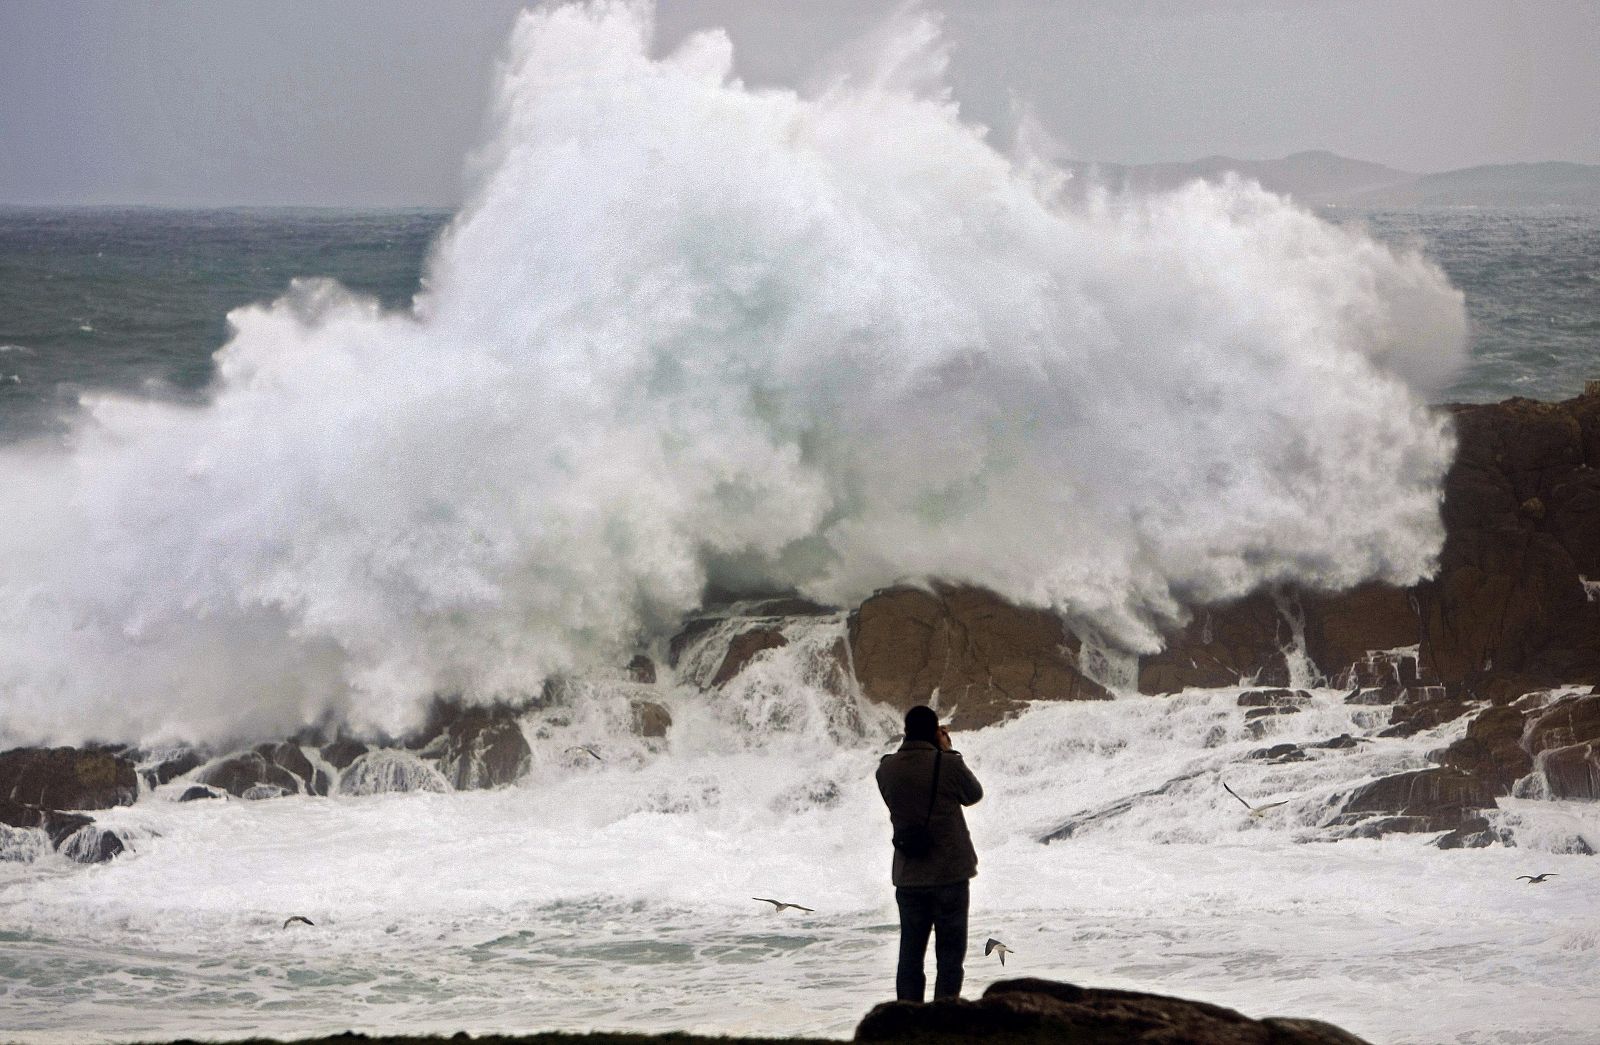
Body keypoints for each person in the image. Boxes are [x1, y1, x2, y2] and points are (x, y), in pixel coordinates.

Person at [875, 704, 984, 1002]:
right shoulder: (948, 764)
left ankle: (907, 1019)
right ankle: (944, 1020)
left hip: (909, 874)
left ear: (906, 731)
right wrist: (947, 750)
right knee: (950, 955)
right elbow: (973, 794)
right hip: (950, 873)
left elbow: (897, 792)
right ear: (936, 731)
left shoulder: (886, 769)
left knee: (910, 954)